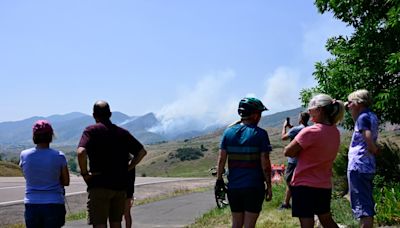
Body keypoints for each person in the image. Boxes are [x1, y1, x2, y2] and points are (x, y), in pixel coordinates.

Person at [77, 100, 147, 228]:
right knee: (116, 223)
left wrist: (85, 173)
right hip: (119, 186)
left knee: (99, 223)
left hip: (99, 184)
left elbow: (81, 152)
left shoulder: (91, 131)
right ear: (110, 114)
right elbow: (142, 152)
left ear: (94, 115)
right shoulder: (122, 133)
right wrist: (128, 168)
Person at [283, 94, 344, 228]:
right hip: (324, 184)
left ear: (320, 110)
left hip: (304, 184)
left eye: (311, 107)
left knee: (306, 222)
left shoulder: (310, 131)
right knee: (326, 219)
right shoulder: (335, 132)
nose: (309, 111)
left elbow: (288, 151)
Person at [216, 97, 273, 228]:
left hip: (234, 187)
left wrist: (219, 179)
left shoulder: (228, 132)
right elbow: (265, 164)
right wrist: (269, 186)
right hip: (254, 187)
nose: (260, 117)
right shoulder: (261, 134)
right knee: (249, 225)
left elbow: (221, 160)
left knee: (236, 224)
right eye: (260, 113)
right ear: (254, 114)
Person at [20, 120, 70, 228]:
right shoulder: (59, 156)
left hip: (31, 203)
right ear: (50, 136)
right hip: (54, 203)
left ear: (34, 136)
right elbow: (66, 181)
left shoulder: (24, 155)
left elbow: (26, 176)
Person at [346, 89, 379, 228]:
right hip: (368, 165)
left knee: (362, 206)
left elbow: (366, 135)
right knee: (365, 201)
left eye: (350, 103)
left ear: (358, 103)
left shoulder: (362, 118)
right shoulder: (371, 115)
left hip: (358, 165)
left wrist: (372, 147)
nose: (348, 106)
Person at [279, 112, 310, 210]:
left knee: (289, 182)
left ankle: (289, 203)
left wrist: (284, 127)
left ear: (300, 119)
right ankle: (286, 203)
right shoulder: (308, 128)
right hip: (304, 160)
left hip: (293, 161)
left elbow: (283, 137)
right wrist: (291, 127)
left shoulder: (296, 129)